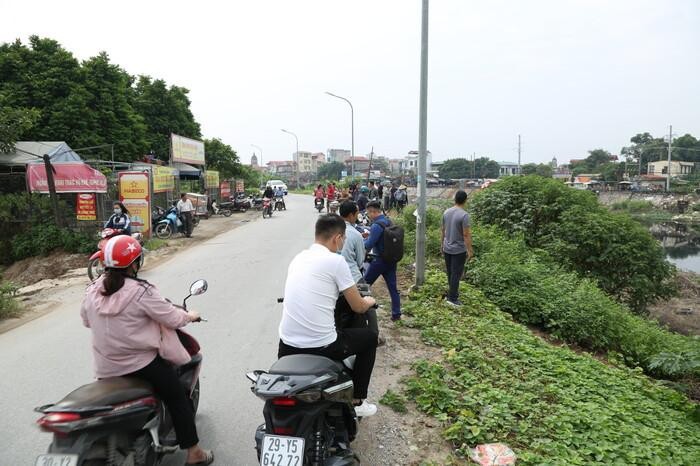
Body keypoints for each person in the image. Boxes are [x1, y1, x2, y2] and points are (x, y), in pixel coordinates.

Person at [80, 235, 214, 466]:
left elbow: (86, 320)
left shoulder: (93, 291)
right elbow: (171, 318)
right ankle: (194, 453)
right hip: (141, 366)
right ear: (135, 263)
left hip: (106, 367)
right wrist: (190, 315)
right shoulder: (142, 291)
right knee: (178, 397)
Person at [278, 214, 379, 417]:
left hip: (286, 346)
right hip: (323, 346)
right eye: (342, 240)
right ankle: (358, 399)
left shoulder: (298, 258)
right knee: (370, 339)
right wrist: (370, 301)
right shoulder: (336, 261)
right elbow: (358, 306)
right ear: (337, 238)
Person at [363, 201, 402, 321]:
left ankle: (359, 309)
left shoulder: (376, 225)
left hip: (379, 261)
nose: (368, 215)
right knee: (392, 288)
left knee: (363, 285)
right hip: (391, 260)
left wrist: (361, 241)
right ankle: (396, 314)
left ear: (373, 211)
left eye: (369, 213)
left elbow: (369, 244)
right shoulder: (388, 221)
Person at [441, 190, 474, 306]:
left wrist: (441, 245)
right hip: (458, 249)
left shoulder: (446, 212)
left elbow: (443, 230)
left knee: (450, 272)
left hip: (447, 247)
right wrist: (470, 250)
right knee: (456, 274)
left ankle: (451, 293)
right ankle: (453, 299)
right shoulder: (464, 215)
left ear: (455, 199)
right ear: (465, 200)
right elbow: (466, 234)